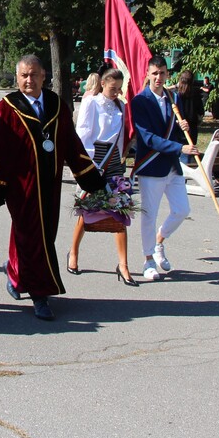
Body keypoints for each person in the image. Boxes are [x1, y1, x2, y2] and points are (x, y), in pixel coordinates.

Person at [0, 55, 104, 321]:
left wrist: (92, 179)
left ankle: (15, 273)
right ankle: (40, 295)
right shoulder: (6, 108)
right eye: (24, 75)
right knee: (32, 235)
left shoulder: (56, 105)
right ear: (17, 78)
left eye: (34, 75)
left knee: (41, 234)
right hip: (20, 187)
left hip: (50, 185)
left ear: (43, 75)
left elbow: (72, 145)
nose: (29, 80)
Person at [130, 56, 200, 282]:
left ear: (167, 74)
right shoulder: (140, 101)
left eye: (162, 73)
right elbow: (148, 138)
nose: (159, 77)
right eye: (154, 73)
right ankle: (148, 259)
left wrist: (182, 128)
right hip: (151, 165)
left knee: (181, 210)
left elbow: (172, 131)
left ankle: (159, 241)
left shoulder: (173, 97)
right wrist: (181, 146)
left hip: (171, 165)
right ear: (147, 75)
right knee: (149, 214)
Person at [66, 68, 137, 286]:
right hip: (94, 158)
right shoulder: (91, 103)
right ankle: (73, 252)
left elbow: (122, 136)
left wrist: (123, 156)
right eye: (112, 88)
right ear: (103, 83)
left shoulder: (120, 106)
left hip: (114, 160)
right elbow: (83, 133)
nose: (116, 92)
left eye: (119, 89)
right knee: (87, 207)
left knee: (120, 209)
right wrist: (89, 166)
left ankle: (123, 264)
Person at [173, 70, 203, 146]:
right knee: (188, 153)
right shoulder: (196, 93)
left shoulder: (174, 94)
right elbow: (201, 111)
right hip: (191, 128)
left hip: (178, 127)